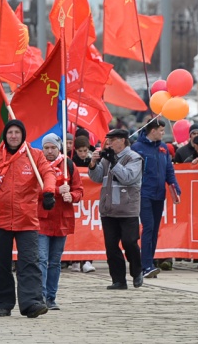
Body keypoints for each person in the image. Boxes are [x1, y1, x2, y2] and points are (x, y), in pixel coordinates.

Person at [0, 120, 55, 317]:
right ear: (5, 135)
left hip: (27, 220)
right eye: (10, 132)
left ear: (23, 135)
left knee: (30, 261)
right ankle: (3, 303)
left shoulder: (35, 155)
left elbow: (48, 173)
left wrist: (48, 191)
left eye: (17, 132)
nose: (13, 136)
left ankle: (31, 303)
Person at [89, 128, 145, 291]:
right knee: (111, 247)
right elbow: (98, 178)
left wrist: (114, 162)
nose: (109, 143)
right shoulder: (108, 158)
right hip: (109, 210)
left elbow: (128, 178)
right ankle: (119, 280)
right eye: (108, 140)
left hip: (128, 210)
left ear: (122, 140)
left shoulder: (134, 158)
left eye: (112, 140)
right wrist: (93, 163)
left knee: (129, 242)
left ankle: (137, 271)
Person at [37, 135, 82, 310]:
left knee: (55, 262)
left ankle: (51, 297)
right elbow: (33, 190)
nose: (49, 151)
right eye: (46, 148)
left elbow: (79, 189)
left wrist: (72, 195)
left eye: (52, 148)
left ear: (59, 148)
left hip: (62, 220)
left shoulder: (69, 165)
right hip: (42, 219)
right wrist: (56, 190)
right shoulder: (37, 165)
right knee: (41, 260)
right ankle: (39, 296)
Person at [132, 119, 180, 279]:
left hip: (159, 195)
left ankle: (149, 262)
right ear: (152, 130)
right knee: (149, 227)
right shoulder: (137, 148)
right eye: (160, 130)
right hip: (144, 194)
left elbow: (169, 170)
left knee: (154, 231)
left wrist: (175, 187)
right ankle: (145, 265)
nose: (163, 133)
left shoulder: (163, 148)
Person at [68, 133, 97, 274]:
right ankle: (74, 259)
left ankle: (87, 260)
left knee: (88, 229)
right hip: (75, 200)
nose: (83, 154)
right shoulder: (70, 161)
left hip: (89, 201)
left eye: (85, 151)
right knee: (76, 229)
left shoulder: (92, 161)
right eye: (80, 151)